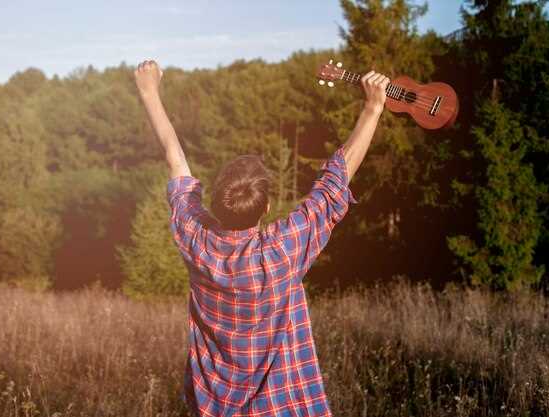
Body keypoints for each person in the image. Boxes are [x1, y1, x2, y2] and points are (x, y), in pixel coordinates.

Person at [134, 59, 389, 417]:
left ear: (217, 201)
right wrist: (373, 107)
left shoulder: (195, 239)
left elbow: (175, 160)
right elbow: (335, 181)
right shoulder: (281, 251)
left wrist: (149, 93)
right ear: (266, 206)